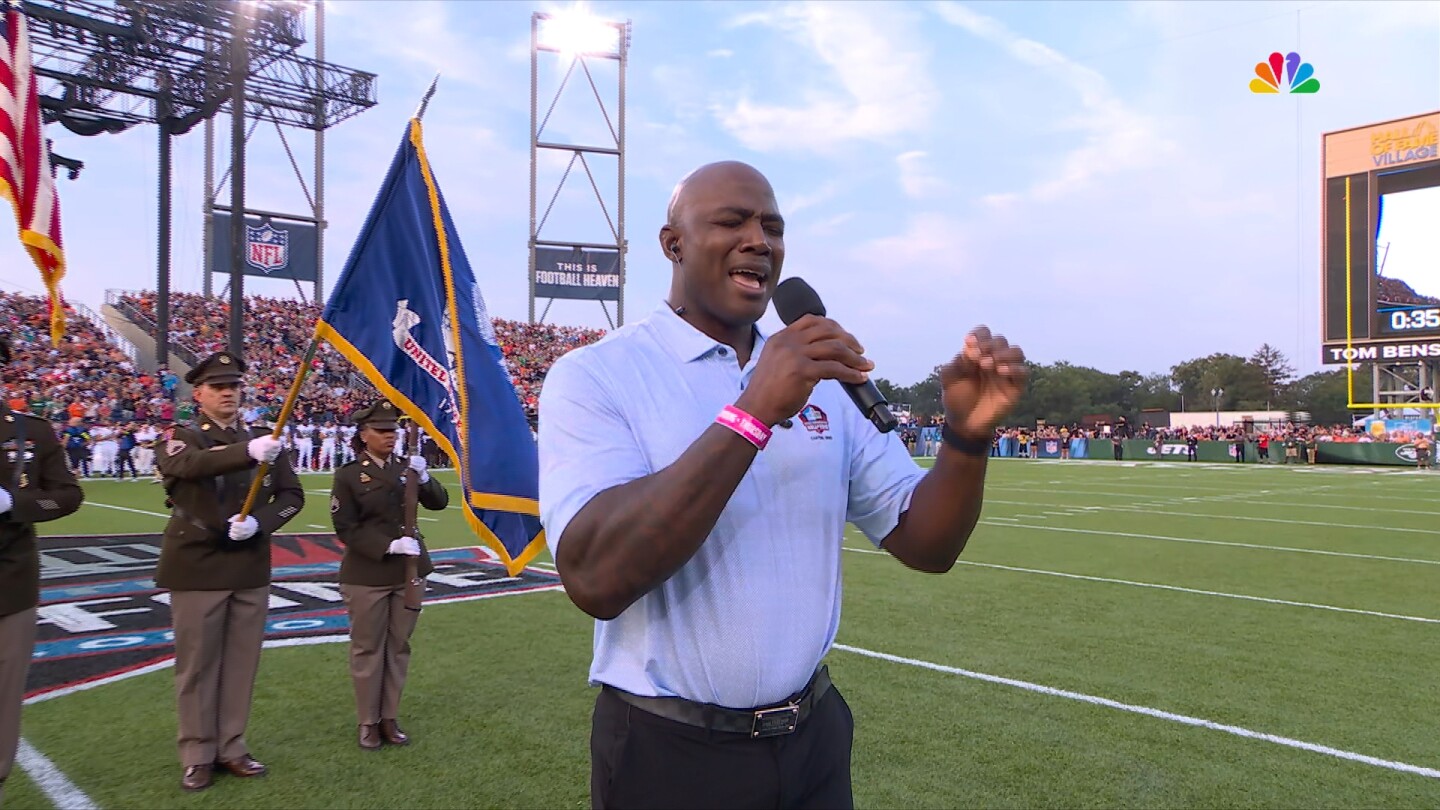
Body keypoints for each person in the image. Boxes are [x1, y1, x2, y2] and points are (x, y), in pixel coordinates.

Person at [538, 161, 1027, 810]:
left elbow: (927, 543)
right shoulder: (598, 375)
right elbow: (596, 577)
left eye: (772, 226)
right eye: (731, 221)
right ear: (673, 244)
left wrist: (967, 438)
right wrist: (752, 412)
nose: (759, 240)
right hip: (670, 753)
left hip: (812, 740)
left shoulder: (822, 379)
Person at [154, 351, 304, 792]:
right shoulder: (181, 436)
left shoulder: (265, 438)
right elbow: (187, 467)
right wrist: (247, 452)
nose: (227, 393)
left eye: (234, 386)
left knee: (241, 662)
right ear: (198, 393)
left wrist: (263, 522)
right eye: (218, 387)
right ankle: (198, 753)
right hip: (198, 562)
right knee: (198, 665)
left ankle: (232, 745)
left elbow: (292, 496)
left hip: (249, 563)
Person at [329, 401, 448, 750]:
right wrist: (388, 545)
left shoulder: (406, 466)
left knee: (398, 646)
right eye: (381, 431)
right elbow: (345, 526)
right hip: (368, 572)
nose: (389, 436)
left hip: (409, 571)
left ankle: (390, 717)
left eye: (393, 430)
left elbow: (439, 502)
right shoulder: (350, 474)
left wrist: (424, 478)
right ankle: (368, 720)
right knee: (368, 648)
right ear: (364, 435)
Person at [0, 334, 84, 804]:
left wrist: (15, 502)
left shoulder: (29, 432)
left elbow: (68, 495)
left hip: (10, 580)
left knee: (5, 693)